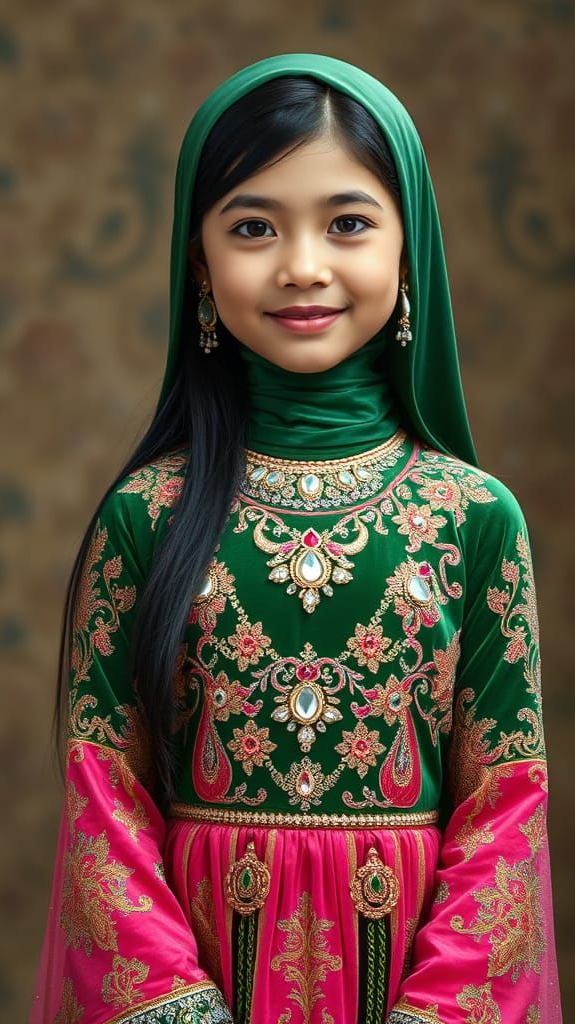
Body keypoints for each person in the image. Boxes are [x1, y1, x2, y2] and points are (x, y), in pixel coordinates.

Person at [30, 53, 562, 1024]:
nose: (303, 265)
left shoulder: (474, 518)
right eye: (253, 227)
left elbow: (505, 811)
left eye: (348, 223)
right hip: (192, 989)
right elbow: (102, 803)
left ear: (411, 248)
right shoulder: (145, 515)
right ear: (199, 262)